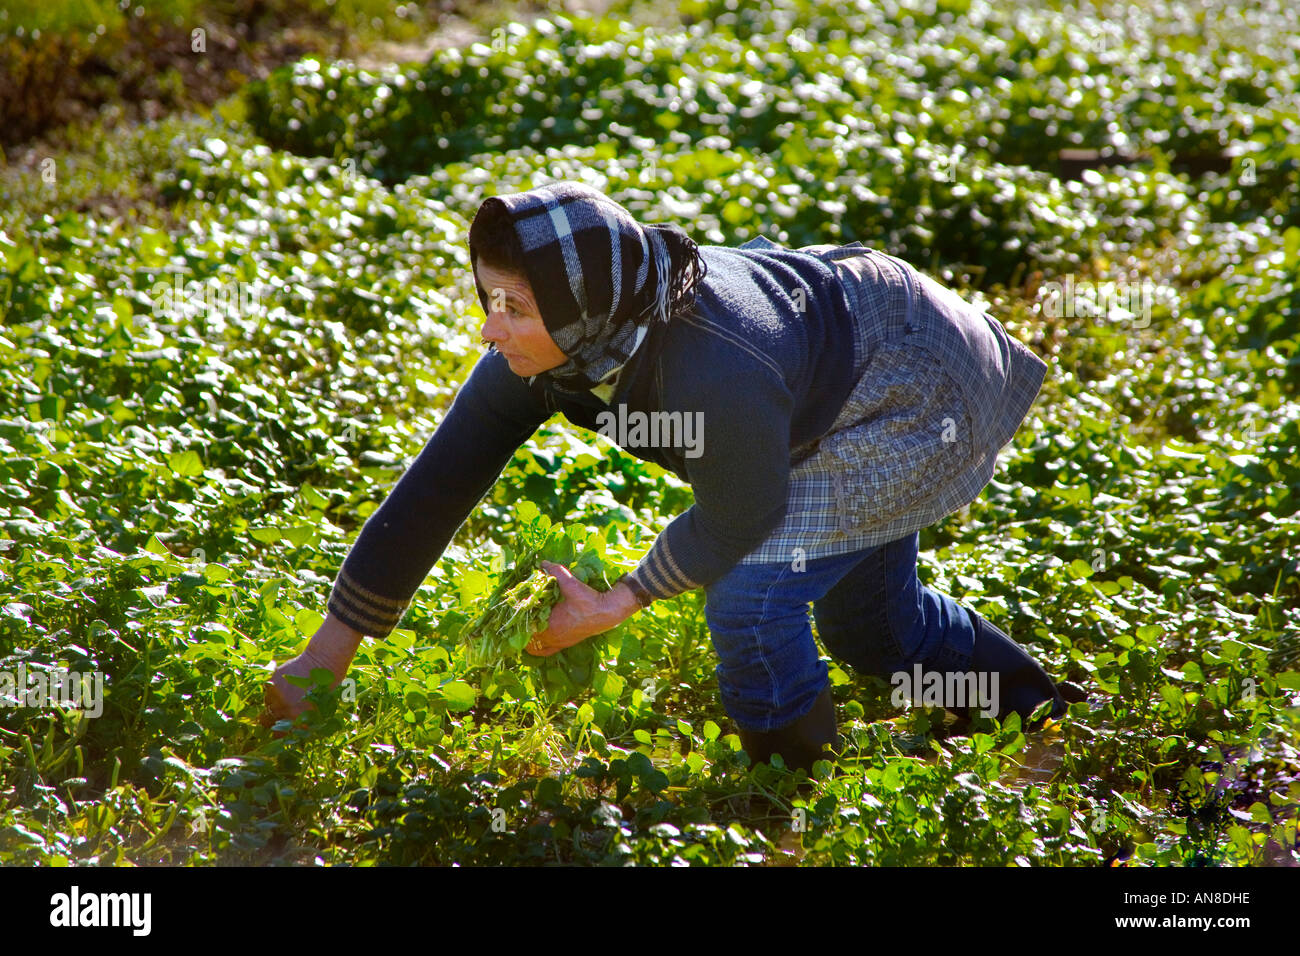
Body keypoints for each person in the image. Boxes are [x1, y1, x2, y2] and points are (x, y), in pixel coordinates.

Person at [262, 180, 1084, 771]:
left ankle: (794, 801)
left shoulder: (714, 369)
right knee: (872, 627)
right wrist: (323, 659)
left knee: (751, 599)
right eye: (488, 297)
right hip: (825, 366)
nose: (489, 327)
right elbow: (439, 484)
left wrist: (615, 602)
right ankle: (1038, 716)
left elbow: (743, 508)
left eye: (514, 306)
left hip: (909, 385)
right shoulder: (560, 339)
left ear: (580, 312)